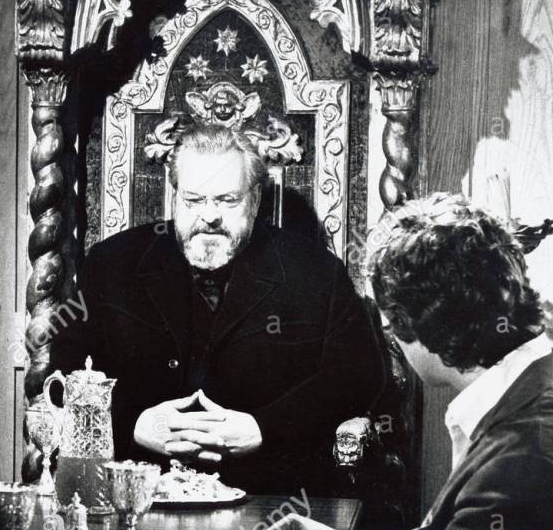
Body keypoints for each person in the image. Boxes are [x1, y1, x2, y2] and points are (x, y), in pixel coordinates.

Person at [120, 194, 553, 530]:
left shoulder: (528, 450)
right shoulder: (539, 395)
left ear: (422, 322)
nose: (385, 331)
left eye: (388, 318)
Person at [55, 124, 387, 494]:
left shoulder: (315, 271)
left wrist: (264, 429)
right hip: (133, 493)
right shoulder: (112, 263)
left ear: (254, 200)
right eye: (194, 200)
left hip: (270, 498)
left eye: (227, 200)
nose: (210, 216)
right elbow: (63, 372)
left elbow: (360, 375)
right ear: (174, 196)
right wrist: (131, 423)